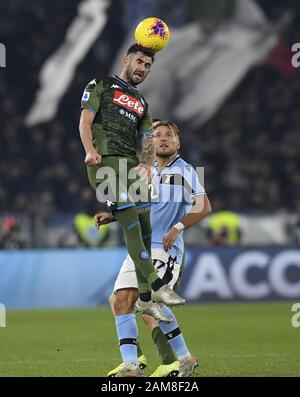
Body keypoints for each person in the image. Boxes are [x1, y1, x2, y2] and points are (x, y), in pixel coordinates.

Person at [79, 45, 185, 375]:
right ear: (125, 61)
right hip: (105, 164)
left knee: (145, 225)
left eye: (147, 64)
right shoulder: (100, 85)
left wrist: (149, 165)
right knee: (131, 226)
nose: (142, 67)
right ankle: (154, 284)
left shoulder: (142, 103)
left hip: (132, 167)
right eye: (138, 61)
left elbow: (146, 140)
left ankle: (144, 293)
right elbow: (85, 120)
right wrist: (89, 151)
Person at [95, 120, 212, 377]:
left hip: (164, 249)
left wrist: (177, 228)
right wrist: (112, 216)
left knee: (145, 301)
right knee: (120, 300)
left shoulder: (186, 170)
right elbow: (138, 209)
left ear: (178, 142)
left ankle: (180, 358)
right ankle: (133, 365)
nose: (162, 139)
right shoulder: (144, 172)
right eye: (156, 135)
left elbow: (203, 207)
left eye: (168, 135)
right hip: (140, 247)